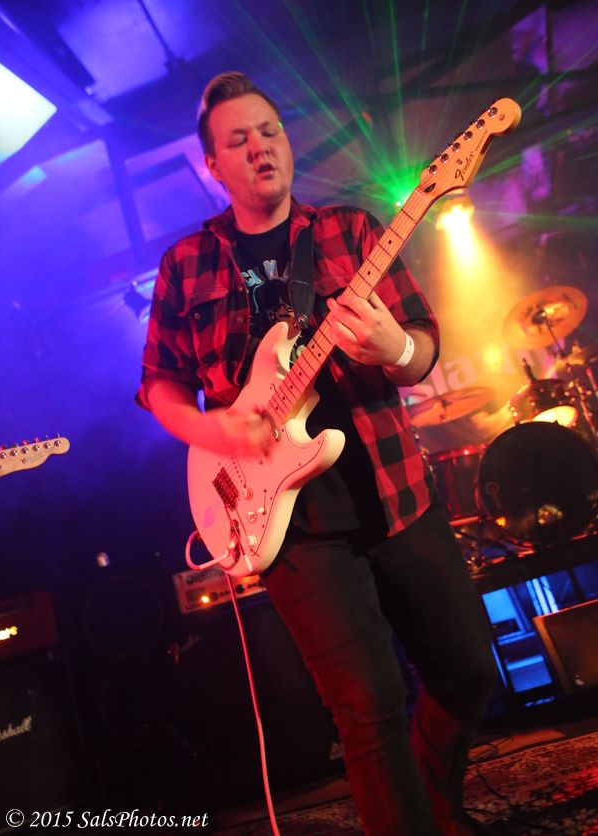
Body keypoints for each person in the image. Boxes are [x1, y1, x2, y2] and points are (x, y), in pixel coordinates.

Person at [138, 72, 497, 835]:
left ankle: (433, 798)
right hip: (287, 525)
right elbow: (160, 387)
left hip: (395, 491)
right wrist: (216, 432)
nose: (260, 147)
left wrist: (394, 346)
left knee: (468, 670)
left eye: (269, 131)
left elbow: (423, 349)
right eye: (239, 140)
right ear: (212, 164)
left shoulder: (351, 231)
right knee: (367, 706)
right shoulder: (187, 265)